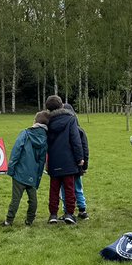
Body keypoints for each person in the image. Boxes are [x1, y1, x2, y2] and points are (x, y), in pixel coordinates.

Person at [1, 111, 50, 227]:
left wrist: (11, 169)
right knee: (33, 200)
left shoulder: (25, 133)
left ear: (35, 122)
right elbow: (42, 160)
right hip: (32, 175)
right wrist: (38, 177)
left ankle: (9, 221)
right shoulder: (46, 138)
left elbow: (16, 151)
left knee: (15, 199)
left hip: (19, 174)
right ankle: (29, 220)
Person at [44, 94, 85, 224]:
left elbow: (46, 142)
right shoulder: (71, 119)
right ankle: (69, 213)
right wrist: (80, 158)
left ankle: (53, 215)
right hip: (69, 161)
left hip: (53, 161)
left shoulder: (47, 121)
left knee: (54, 189)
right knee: (69, 188)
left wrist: (45, 161)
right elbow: (75, 140)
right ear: (62, 105)